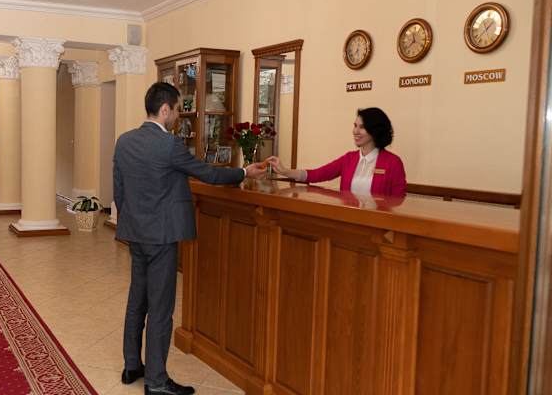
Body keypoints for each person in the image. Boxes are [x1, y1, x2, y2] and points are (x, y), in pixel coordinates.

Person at [114, 82, 266, 395]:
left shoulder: (125, 141)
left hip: (136, 233)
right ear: (165, 109)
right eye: (177, 109)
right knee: (160, 308)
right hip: (161, 237)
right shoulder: (168, 145)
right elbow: (209, 174)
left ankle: (132, 365)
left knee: (137, 300)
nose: (178, 116)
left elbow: (119, 189)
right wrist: (244, 173)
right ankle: (156, 381)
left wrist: (132, 221)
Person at [267, 107, 406, 197]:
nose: (355, 131)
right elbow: (316, 174)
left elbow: (398, 202)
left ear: (375, 131)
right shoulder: (349, 158)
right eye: (355, 126)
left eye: (362, 127)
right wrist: (285, 171)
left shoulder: (393, 162)